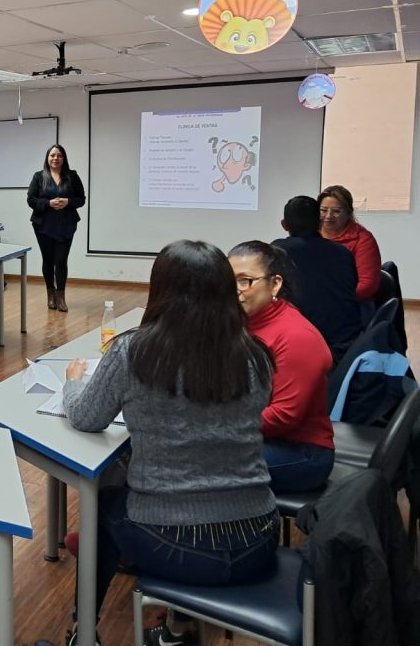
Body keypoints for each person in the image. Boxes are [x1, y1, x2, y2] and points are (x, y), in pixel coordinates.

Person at [63, 240, 278, 646]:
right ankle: (175, 629)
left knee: (105, 503)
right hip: (258, 538)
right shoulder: (257, 356)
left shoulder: (133, 350)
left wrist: (73, 384)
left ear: (159, 289)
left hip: (178, 545)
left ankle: (83, 633)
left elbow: (87, 417)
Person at [229, 241, 335, 494]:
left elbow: (284, 417)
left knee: (196, 459)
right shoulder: (245, 321)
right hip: (258, 436)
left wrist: (219, 425)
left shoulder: (296, 336)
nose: (235, 290)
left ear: (275, 284)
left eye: (245, 280)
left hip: (301, 453)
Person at [273, 195, 361, 362]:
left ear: (284, 225)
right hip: (347, 343)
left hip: (304, 347)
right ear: (320, 223)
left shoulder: (277, 252)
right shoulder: (343, 253)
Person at [27, 144, 85, 313]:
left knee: (61, 261)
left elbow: (81, 199)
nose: (55, 158)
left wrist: (68, 202)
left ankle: (61, 297)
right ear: (47, 158)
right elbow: (31, 200)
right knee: (48, 260)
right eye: (52, 155)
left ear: (64, 158)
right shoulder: (39, 177)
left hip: (66, 224)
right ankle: (50, 294)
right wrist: (48, 203)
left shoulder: (72, 176)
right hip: (43, 225)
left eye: (59, 155)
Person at [318, 184, 381, 302]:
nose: (328, 216)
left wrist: (336, 299)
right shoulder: (310, 234)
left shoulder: (363, 239)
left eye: (336, 211)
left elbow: (368, 285)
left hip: (352, 302)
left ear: (348, 212)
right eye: (323, 210)